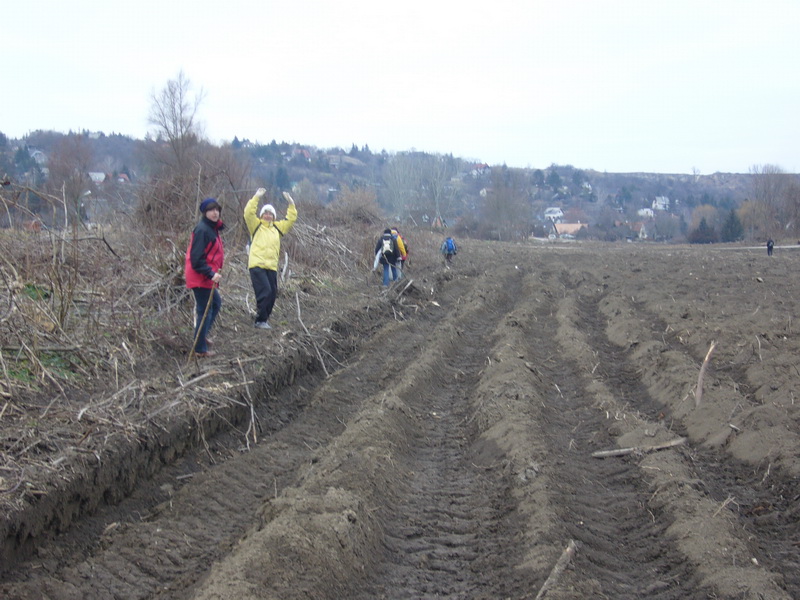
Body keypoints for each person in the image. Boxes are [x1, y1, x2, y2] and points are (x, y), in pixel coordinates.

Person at [244, 187, 297, 329]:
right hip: (257, 265)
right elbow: (248, 213)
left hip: (271, 266)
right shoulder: (255, 226)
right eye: (265, 213)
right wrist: (256, 197)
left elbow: (291, 219)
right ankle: (260, 320)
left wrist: (291, 204)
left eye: (270, 214)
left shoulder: (278, 228)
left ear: (274, 216)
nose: (268, 216)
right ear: (261, 215)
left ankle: (264, 319)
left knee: (272, 294)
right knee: (265, 291)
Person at [185, 197, 225, 357]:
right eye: (211, 210)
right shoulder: (202, 230)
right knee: (206, 310)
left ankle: (201, 337)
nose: (215, 213)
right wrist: (211, 273)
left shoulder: (212, 228)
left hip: (207, 276)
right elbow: (196, 259)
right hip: (200, 276)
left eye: (217, 209)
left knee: (215, 304)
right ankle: (199, 349)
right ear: (204, 212)